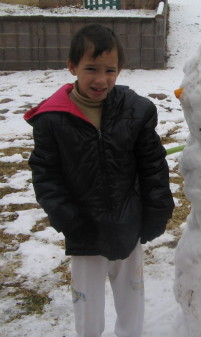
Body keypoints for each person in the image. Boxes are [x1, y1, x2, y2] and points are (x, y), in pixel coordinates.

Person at [24, 24, 174, 337]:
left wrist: (157, 209)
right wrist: (66, 216)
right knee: (87, 302)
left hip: (128, 222)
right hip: (84, 228)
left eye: (110, 70)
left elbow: (152, 165)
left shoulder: (136, 111)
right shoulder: (53, 118)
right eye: (91, 68)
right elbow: (45, 172)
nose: (101, 79)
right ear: (72, 67)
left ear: (120, 69)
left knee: (131, 296)